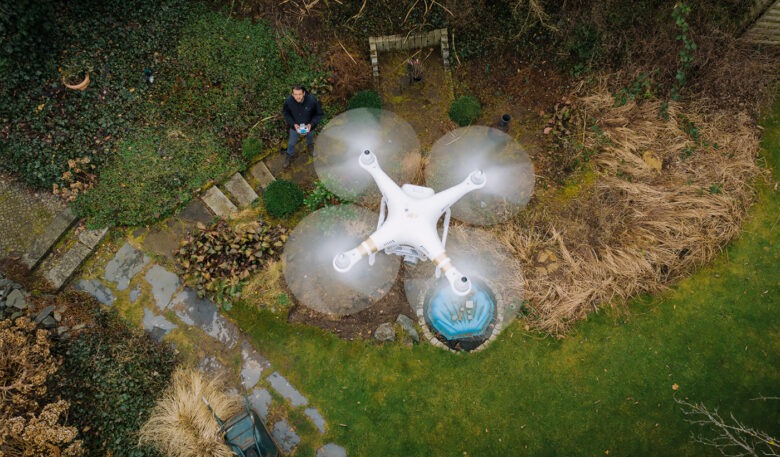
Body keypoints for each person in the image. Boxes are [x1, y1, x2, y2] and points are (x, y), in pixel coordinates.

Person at [282, 85, 324, 168]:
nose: (298, 97)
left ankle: (310, 147)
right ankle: (289, 155)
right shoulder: (288, 101)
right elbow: (286, 113)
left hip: (309, 127)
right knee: (291, 143)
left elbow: (319, 114)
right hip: (295, 127)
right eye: (295, 94)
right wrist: (293, 124)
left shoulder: (312, 101)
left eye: (300, 94)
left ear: (304, 93)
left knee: (310, 138)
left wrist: (311, 124)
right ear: (292, 94)